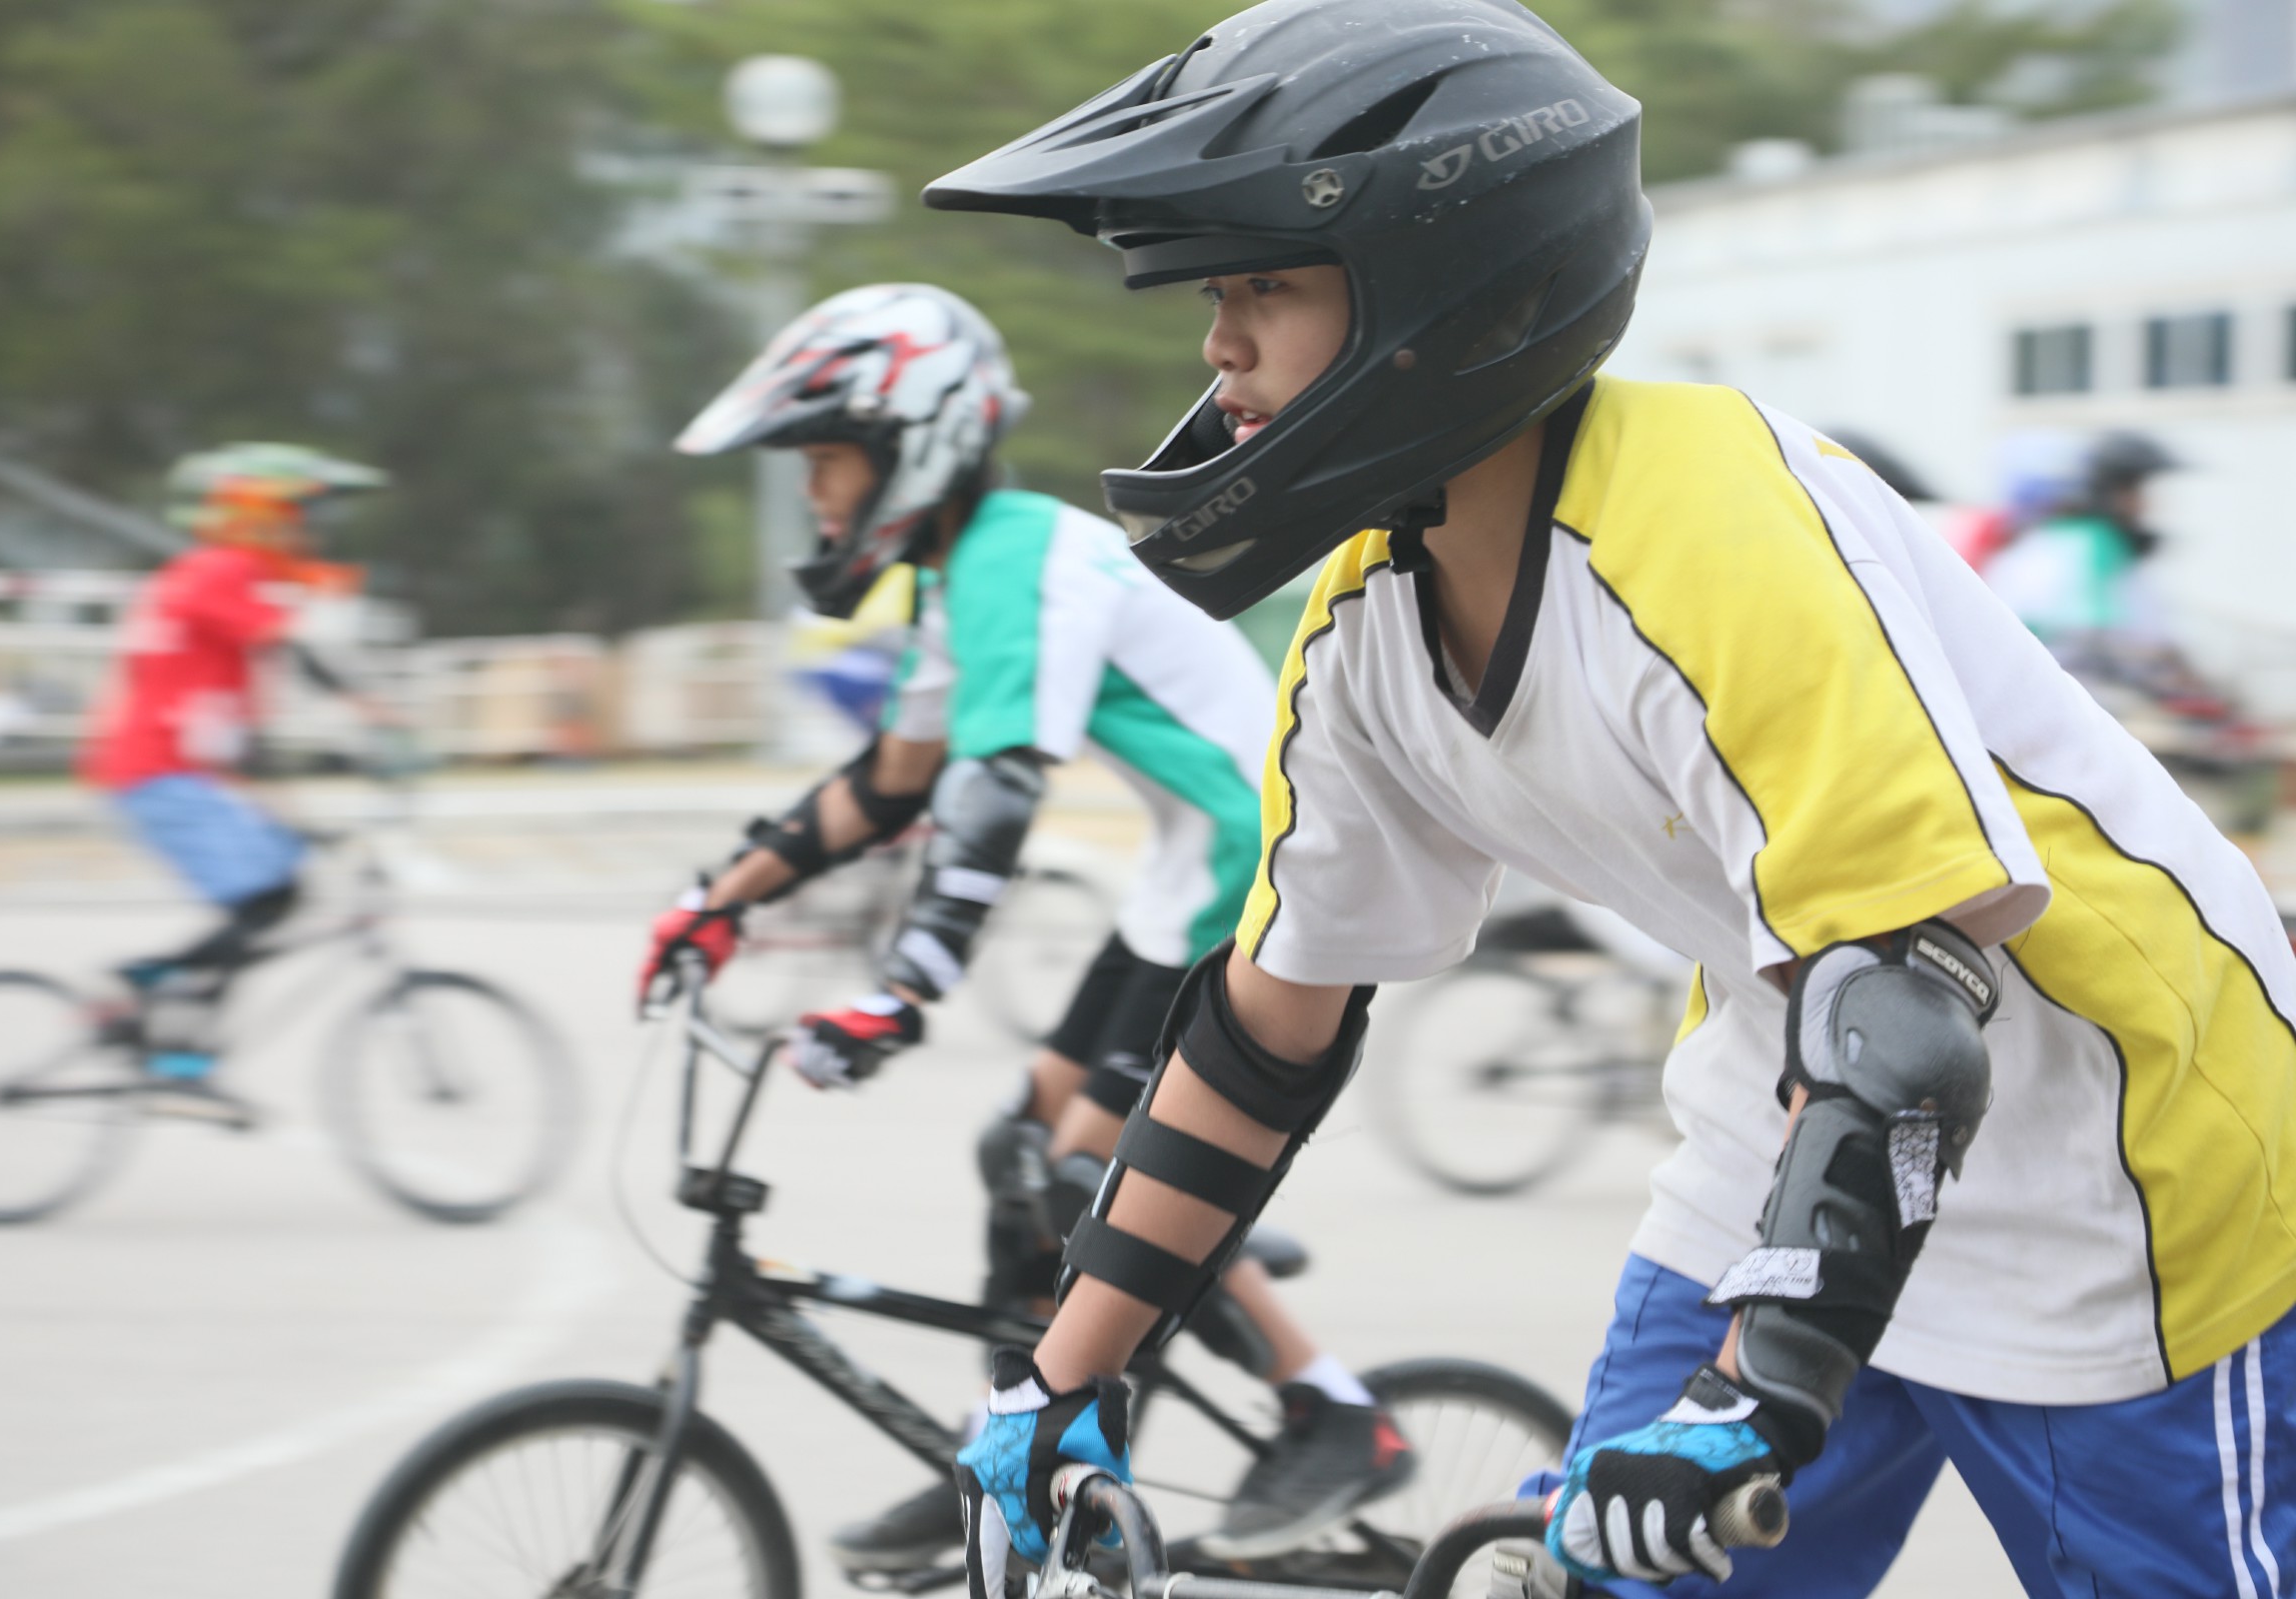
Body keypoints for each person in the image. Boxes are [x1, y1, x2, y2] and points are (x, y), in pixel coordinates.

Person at [924, 3, 2296, 1595]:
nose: (1219, 348)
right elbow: (1265, 1036)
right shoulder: (1366, 625)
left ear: (1440, 295)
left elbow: (1910, 1008)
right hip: (1790, 1150)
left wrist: (1760, 1390)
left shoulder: (1711, 516)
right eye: (1217, 298)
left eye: (1263, 289)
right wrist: (1061, 1377)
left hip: (2114, 1173)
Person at [642, 282, 1414, 1572]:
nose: (814, 492)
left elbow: (997, 792)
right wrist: (715, 902)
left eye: (826, 458)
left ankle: (1330, 1411)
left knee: (1095, 1171)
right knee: (1020, 1152)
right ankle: (1008, 1445)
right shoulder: (967, 573)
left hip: (1254, 858)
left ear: (910, 447)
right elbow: (895, 779)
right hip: (1192, 867)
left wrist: (904, 990)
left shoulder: (1014, 557)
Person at [81, 443, 390, 1078]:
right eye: (299, 518)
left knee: (282, 893)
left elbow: (243, 740)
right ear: (256, 515)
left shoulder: (211, 577)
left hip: (174, 773)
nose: (308, 535)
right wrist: (369, 708)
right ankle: (176, 1048)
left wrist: (295, 822)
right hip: (158, 774)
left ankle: (157, 992)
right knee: (258, 903)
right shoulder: (221, 570)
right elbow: (296, 650)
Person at [1982, 430, 2218, 707]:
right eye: (2134, 491)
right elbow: (2091, 643)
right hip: (2064, 698)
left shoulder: (2063, 542)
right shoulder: (2089, 544)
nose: (2145, 504)